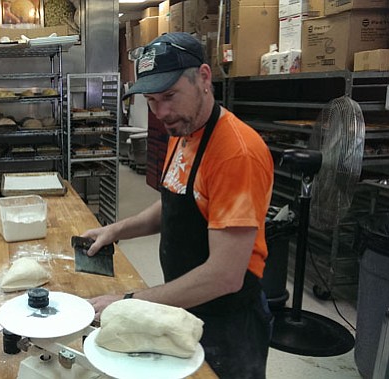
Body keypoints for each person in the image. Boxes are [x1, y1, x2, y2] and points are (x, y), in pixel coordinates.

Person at [82, 33, 274, 379]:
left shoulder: (236, 154)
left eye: (170, 96)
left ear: (203, 77)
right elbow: (174, 201)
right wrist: (117, 229)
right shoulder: (183, 131)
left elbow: (225, 275)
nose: (161, 113)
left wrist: (130, 302)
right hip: (185, 304)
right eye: (152, 101)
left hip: (228, 323)